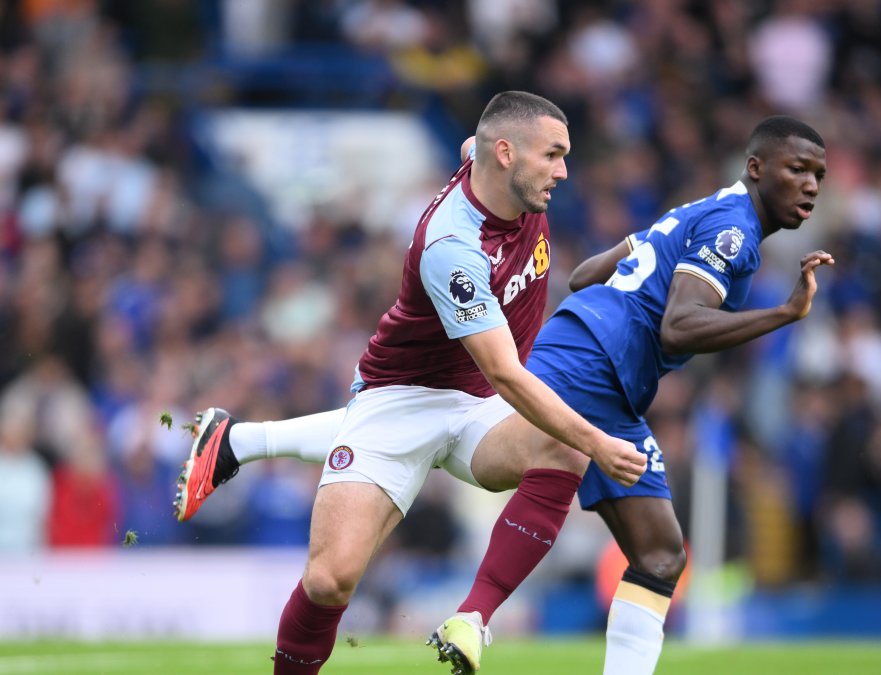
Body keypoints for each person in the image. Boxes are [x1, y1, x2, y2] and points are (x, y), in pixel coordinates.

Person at [177, 115, 831, 675]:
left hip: (585, 358)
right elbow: (679, 323)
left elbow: (581, 273)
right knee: (560, 455)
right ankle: (475, 617)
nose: (808, 185)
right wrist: (783, 313)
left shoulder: (696, 209)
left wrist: (638, 263)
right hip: (589, 366)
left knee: (660, 554)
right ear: (756, 166)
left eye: (817, 177)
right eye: (797, 169)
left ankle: (239, 440)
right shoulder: (732, 231)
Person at [174, 90, 648, 674]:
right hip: (404, 396)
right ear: (507, 154)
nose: (563, 171)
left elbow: (471, 142)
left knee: (563, 443)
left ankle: (472, 618)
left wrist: (585, 443)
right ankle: (241, 442)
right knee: (330, 580)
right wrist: (601, 444)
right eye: (553, 155)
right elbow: (505, 373)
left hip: (474, 403)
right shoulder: (453, 246)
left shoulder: (502, 171)